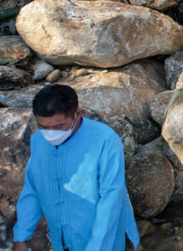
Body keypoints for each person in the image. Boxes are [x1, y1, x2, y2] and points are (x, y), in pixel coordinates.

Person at [13, 85, 139, 251]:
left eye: (59, 127)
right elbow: (33, 189)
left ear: (77, 114)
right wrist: (21, 236)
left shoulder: (104, 140)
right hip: (61, 241)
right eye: (43, 126)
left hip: (102, 242)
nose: (50, 133)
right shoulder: (38, 141)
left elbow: (111, 199)